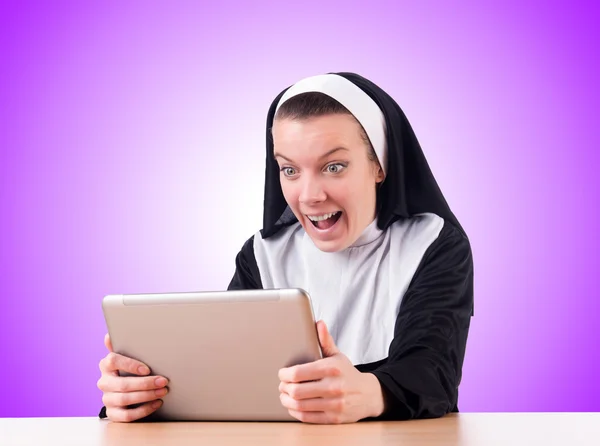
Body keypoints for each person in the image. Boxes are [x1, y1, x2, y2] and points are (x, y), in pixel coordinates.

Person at [97, 72, 474, 424]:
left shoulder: (433, 245)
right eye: (290, 170)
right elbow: (225, 375)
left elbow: (434, 373)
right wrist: (141, 397)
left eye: (334, 166)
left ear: (380, 165)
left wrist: (370, 394)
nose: (310, 196)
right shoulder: (264, 254)